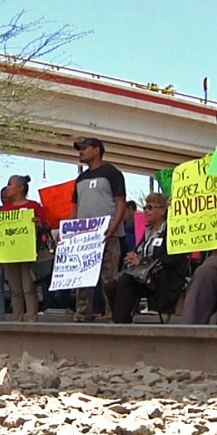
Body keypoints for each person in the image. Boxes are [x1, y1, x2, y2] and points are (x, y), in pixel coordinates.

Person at [104, 193, 188, 323]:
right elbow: (140, 252)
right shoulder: (147, 232)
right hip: (143, 278)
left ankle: (119, 323)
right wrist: (133, 256)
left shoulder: (172, 232)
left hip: (162, 277)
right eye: (145, 208)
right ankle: (123, 320)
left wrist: (142, 262)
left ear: (162, 211)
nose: (146, 211)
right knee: (110, 285)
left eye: (150, 207)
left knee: (126, 280)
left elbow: (171, 258)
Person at [71, 137, 127, 322]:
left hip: (107, 235)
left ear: (96, 150)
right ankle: (82, 312)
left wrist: (113, 227)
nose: (81, 152)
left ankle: (112, 313)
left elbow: (120, 203)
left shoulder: (111, 172)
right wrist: (68, 230)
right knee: (83, 275)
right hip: (84, 237)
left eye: (84, 148)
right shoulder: (80, 178)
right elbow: (76, 208)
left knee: (109, 276)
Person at [2, 175, 47, 322]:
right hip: (10, 253)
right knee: (15, 289)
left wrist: (39, 224)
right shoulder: (5, 209)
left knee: (28, 287)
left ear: (20, 188)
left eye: (10, 185)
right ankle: (17, 319)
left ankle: (32, 319)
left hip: (29, 253)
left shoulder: (34, 206)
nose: (7, 188)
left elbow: (46, 227)